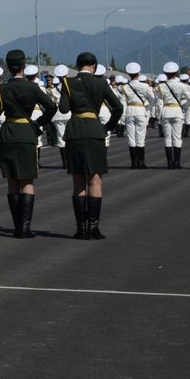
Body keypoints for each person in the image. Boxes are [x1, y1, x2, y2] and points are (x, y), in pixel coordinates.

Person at [0, 50, 58, 239]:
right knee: (27, 181)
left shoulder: (0, 89)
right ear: (23, 66)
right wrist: (39, 123)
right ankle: (25, 228)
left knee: (12, 181)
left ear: (7, 66)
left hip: (9, 132)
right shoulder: (33, 88)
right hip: (27, 133)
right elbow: (52, 107)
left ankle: (16, 225)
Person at [59, 52, 124, 239]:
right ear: (94, 65)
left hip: (75, 131)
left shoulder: (68, 83)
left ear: (77, 65)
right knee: (95, 180)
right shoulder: (101, 83)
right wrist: (108, 127)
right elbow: (118, 108)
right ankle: (94, 228)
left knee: (78, 182)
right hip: (95, 131)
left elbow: (63, 109)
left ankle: (81, 228)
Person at [154, 64, 190, 168]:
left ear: (166, 74)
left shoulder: (161, 86)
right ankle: (177, 163)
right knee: (177, 137)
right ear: (175, 74)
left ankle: (169, 163)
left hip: (166, 111)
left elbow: (159, 103)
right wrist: (183, 106)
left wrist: (159, 116)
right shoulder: (181, 85)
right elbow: (189, 98)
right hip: (177, 111)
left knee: (167, 138)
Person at [120, 63, 154, 168]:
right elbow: (153, 99)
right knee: (140, 137)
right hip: (140, 110)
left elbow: (123, 103)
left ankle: (133, 163)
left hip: (130, 111)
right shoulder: (145, 86)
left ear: (128, 74)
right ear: (138, 74)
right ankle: (141, 162)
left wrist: (123, 115)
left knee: (131, 138)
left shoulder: (124, 87)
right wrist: (146, 108)